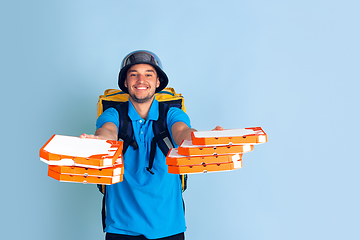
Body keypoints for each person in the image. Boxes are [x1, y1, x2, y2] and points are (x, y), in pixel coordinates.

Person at [80, 50, 223, 240]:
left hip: (168, 227)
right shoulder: (113, 114)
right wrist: (99, 142)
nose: (141, 80)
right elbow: (107, 131)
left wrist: (201, 140)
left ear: (157, 82)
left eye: (148, 74)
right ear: (125, 82)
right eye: (134, 74)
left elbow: (182, 132)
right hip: (121, 228)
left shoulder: (172, 114)